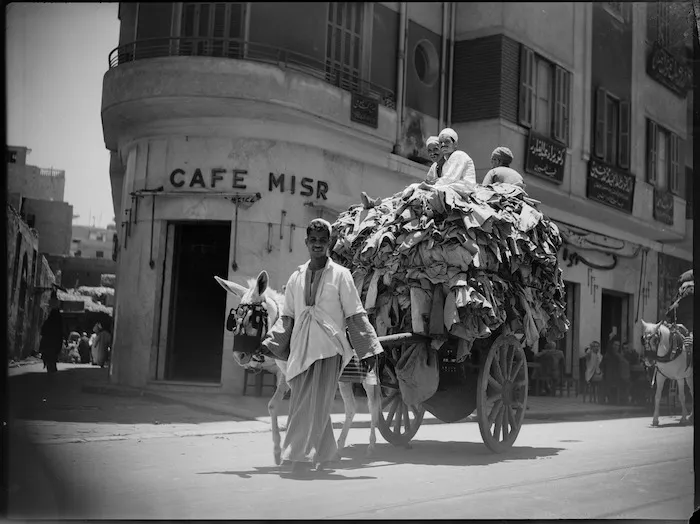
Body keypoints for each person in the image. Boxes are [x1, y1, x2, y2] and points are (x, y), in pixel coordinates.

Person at [260, 218, 383, 473]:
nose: (317, 244)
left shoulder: (341, 275)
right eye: (313, 240)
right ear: (306, 242)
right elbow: (287, 316)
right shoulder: (295, 278)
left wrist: (368, 350)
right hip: (300, 348)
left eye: (322, 240)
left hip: (330, 348)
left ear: (330, 243)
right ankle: (327, 454)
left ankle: (298, 456)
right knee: (307, 400)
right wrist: (270, 343)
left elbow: (354, 314)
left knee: (309, 403)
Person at [39, 295, 63, 374]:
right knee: (53, 355)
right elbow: (61, 331)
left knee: (49, 355)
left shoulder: (48, 322)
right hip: (55, 342)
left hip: (49, 342)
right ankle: (52, 366)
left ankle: (50, 367)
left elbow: (43, 331)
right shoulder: (58, 322)